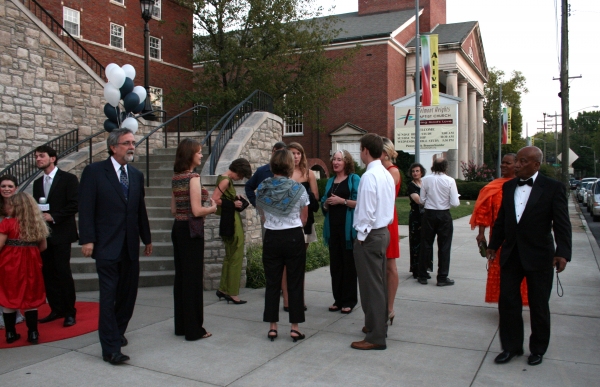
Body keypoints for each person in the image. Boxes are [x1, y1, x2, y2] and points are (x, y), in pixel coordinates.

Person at [487, 146, 571, 366]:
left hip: (540, 255)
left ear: (536, 164)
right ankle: (511, 347)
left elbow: (562, 224)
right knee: (508, 303)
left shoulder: (553, 188)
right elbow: (502, 220)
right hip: (512, 254)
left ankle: (538, 349)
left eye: (522, 162)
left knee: (539, 305)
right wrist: (493, 245)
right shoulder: (509, 187)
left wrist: (562, 252)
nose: (517, 165)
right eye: (517, 161)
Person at [78, 128, 152, 365]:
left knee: (128, 295)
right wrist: (87, 239)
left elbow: (139, 209)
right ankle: (110, 348)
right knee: (108, 297)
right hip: (106, 246)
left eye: (133, 142)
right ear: (113, 147)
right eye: (127, 143)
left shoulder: (136, 175)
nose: (132, 146)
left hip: (130, 245)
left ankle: (117, 331)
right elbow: (86, 208)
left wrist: (147, 238)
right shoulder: (94, 172)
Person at [256, 149, 309, 342]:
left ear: (272, 165)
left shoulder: (262, 187)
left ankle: (272, 327)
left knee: (272, 283)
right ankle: (295, 327)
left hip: (271, 236)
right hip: (293, 236)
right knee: (294, 282)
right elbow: (304, 218)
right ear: (290, 165)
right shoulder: (298, 189)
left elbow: (261, 215)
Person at [351, 133, 395, 351]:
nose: (360, 154)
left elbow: (367, 210)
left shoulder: (370, 176)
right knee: (375, 285)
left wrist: (360, 238)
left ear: (366, 150)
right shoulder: (386, 173)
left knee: (373, 287)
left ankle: (377, 336)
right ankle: (374, 326)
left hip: (370, 235)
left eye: (360, 150)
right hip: (381, 232)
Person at [171, 138, 218, 341]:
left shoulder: (176, 177)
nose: (201, 155)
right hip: (191, 231)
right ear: (190, 154)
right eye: (198, 152)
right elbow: (197, 210)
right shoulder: (193, 177)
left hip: (178, 229)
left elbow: (173, 209)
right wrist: (213, 208)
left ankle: (181, 325)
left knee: (181, 278)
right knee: (193, 281)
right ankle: (194, 329)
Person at [469, 154, 528, 305]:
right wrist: (481, 234)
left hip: (521, 239)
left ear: (516, 165)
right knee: (500, 271)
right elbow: (484, 212)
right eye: (502, 163)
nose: (502, 165)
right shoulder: (493, 187)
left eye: (507, 163)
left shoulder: (524, 186)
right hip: (499, 239)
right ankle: (505, 302)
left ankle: (518, 301)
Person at [32, 145, 79, 327]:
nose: (38, 159)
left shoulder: (68, 179)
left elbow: (75, 204)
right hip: (44, 235)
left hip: (62, 233)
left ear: (53, 158)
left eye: (41, 156)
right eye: (36, 156)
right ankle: (56, 308)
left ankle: (69, 311)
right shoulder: (37, 183)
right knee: (48, 273)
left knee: (62, 272)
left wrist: (54, 216)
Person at [0, 192, 49, 344]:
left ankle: (10, 333)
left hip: (10, 262)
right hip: (31, 262)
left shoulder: (7, 224)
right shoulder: (36, 224)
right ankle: (33, 333)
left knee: (9, 296)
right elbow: (43, 246)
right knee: (31, 296)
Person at [321, 150, 360, 314]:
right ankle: (338, 299)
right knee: (336, 266)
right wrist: (327, 204)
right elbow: (323, 200)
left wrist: (342, 201)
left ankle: (349, 301)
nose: (335, 162)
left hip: (348, 231)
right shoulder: (330, 181)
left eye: (339, 159)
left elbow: (360, 202)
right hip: (333, 230)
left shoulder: (353, 179)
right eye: (334, 159)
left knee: (349, 266)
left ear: (346, 162)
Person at [284, 142, 319, 311]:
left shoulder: (309, 174)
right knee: (286, 263)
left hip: (305, 222)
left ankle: (300, 299)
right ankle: (287, 301)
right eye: (292, 153)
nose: (296, 156)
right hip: (286, 223)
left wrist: (304, 199)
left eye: (298, 153)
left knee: (299, 262)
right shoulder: (283, 174)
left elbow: (315, 200)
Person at [212, 158, 252, 304]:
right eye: (242, 175)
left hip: (227, 220)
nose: (241, 178)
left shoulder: (222, 178)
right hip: (233, 221)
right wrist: (233, 203)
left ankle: (223, 289)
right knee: (236, 256)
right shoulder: (226, 180)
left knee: (229, 256)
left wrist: (233, 197)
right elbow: (215, 200)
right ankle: (233, 293)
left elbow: (221, 197)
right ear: (239, 171)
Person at [417, 158, 460, 286]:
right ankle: (442, 277)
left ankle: (422, 274)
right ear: (445, 167)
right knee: (444, 246)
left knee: (425, 244)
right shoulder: (450, 180)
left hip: (429, 214)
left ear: (433, 166)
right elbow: (455, 203)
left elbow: (422, 200)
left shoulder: (426, 180)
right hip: (444, 214)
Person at [0, 175, 26, 329]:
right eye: (3, 186)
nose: (6, 189)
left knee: (11, 285)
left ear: (15, 188)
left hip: (13, 251)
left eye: (10, 186)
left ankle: (13, 314)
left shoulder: (21, 205)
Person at [381, 138, 401, 324]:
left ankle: (389, 308)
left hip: (387, 219)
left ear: (385, 153)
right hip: (382, 218)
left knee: (390, 265)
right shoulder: (381, 170)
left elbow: (386, 197)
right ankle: (383, 307)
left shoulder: (392, 171)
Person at [407, 163, 432, 278]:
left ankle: (425, 268)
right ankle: (416, 269)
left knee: (426, 243)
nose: (415, 173)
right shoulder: (411, 186)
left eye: (417, 171)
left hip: (426, 217)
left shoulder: (425, 184)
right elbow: (418, 200)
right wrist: (432, 200)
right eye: (413, 171)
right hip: (416, 218)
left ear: (422, 172)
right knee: (416, 243)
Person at [245, 142, 287, 208]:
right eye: (276, 152)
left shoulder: (288, 171)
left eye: (281, 153)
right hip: (265, 212)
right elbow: (248, 186)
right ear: (273, 152)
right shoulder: (262, 171)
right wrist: (256, 203)